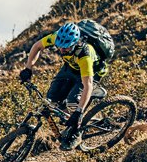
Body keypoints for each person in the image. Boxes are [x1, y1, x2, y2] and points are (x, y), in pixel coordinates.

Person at [19, 21, 110, 150]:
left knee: (73, 102)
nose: (62, 50)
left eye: (66, 47)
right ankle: (70, 113)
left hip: (91, 73)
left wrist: (78, 112)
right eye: (59, 46)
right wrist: (28, 68)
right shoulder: (57, 37)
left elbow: (87, 84)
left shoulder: (84, 55)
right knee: (52, 98)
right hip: (71, 68)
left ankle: (76, 131)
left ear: (75, 43)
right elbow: (37, 46)